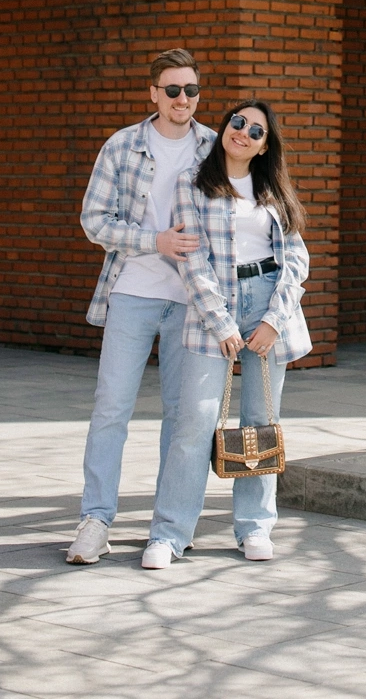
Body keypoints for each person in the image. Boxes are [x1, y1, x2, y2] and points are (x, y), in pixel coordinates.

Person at [141, 98, 311, 567]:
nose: (244, 133)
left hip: (268, 303)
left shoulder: (272, 189)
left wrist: (274, 320)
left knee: (260, 422)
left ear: (264, 147)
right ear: (225, 127)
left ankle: (254, 527)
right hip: (212, 309)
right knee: (194, 422)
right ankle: (169, 534)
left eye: (257, 131)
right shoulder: (192, 183)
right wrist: (221, 322)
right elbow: (191, 261)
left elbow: (295, 258)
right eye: (238, 122)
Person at [65, 50, 216, 565]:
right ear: (153, 93)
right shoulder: (123, 145)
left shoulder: (213, 147)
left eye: (190, 90)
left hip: (192, 302)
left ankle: (170, 527)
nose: (182, 99)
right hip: (132, 292)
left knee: (183, 416)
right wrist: (156, 242)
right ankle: (95, 520)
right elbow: (94, 220)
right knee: (111, 407)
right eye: (172, 90)